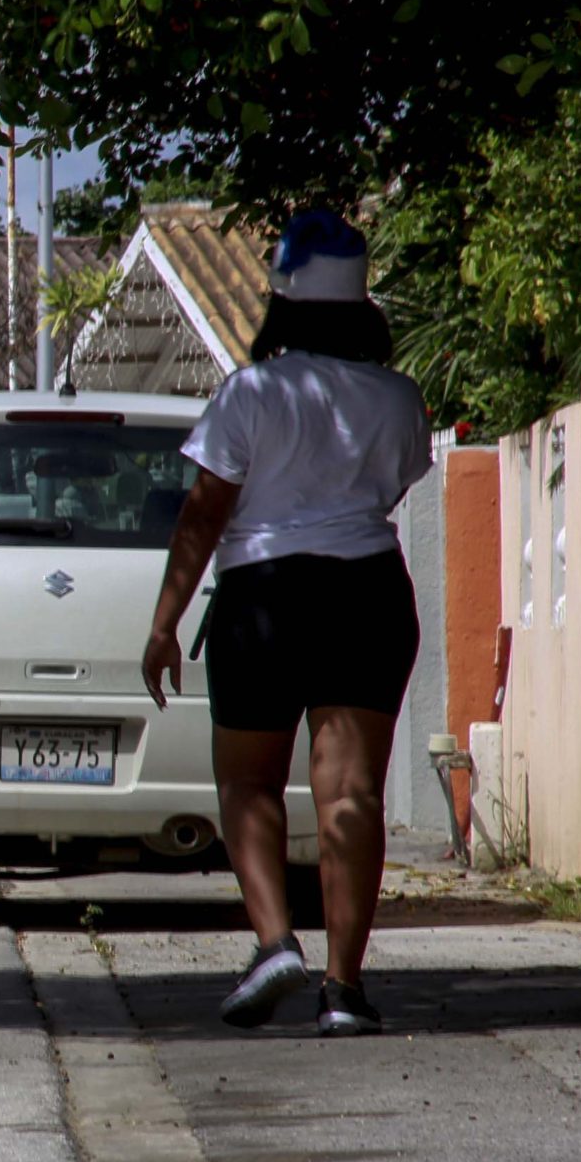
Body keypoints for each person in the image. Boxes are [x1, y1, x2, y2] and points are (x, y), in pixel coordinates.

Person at [139, 210, 433, 1036]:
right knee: (352, 792)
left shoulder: (251, 394)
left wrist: (164, 626)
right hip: (369, 592)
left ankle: (273, 941)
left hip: (264, 598)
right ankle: (345, 989)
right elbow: (393, 489)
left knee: (247, 783)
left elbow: (203, 517)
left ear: (280, 297)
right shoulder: (398, 398)